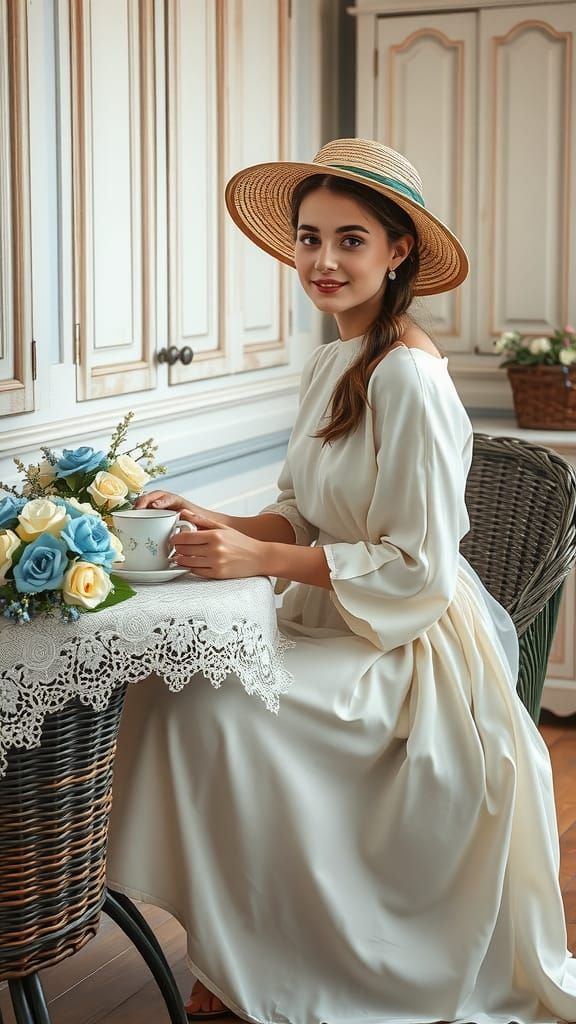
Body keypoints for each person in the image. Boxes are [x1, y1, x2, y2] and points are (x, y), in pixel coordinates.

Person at [106, 139, 576, 1024]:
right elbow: (301, 510)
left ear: (398, 252)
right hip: (336, 615)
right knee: (175, 690)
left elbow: (418, 569)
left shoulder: (411, 377)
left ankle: (266, 951)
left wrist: (265, 562)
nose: (323, 260)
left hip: (405, 652)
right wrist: (214, 521)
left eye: (350, 240)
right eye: (309, 237)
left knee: (218, 710)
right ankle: (239, 942)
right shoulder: (333, 362)